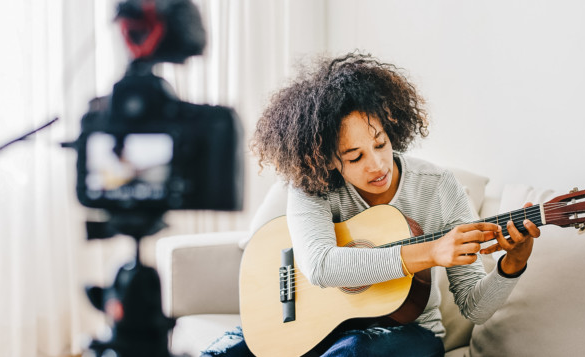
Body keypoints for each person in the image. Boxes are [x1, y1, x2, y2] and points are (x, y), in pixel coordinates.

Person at [201, 52, 541, 357]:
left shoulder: (438, 187)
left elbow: (474, 308)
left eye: (380, 144)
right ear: (328, 160)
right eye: (355, 156)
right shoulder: (312, 184)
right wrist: (432, 250)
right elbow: (320, 266)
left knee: (354, 351)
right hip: (312, 326)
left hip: (408, 334)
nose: (378, 164)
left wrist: (512, 264)